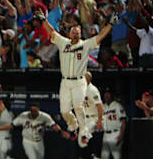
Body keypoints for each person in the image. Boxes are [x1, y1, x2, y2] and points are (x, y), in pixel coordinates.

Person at [41, 10, 116, 147]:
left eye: (77, 32)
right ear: (69, 33)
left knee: (78, 106)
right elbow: (51, 32)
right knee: (64, 111)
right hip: (65, 81)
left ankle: (84, 131)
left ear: (81, 34)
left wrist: (110, 24)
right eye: (73, 32)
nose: (75, 34)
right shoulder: (63, 43)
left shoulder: (85, 44)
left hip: (79, 81)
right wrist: (43, 20)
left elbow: (100, 36)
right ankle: (73, 124)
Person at [0, 102, 69, 159]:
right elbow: (11, 125)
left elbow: (53, 125)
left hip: (39, 141)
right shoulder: (24, 115)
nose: (33, 112)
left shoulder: (44, 116)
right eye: (32, 110)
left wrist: (61, 132)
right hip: (28, 141)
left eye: (35, 111)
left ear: (38, 110)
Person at [79, 71, 103, 159]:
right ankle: (88, 156)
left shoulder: (92, 90)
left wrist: (100, 120)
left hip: (93, 118)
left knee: (85, 135)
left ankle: (93, 155)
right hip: (85, 118)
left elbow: (100, 106)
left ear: (88, 80)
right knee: (81, 141)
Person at [101, 89, 127, 159]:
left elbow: (123, 121)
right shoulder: (103, 106)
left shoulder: (117, 105)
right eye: (105, 93)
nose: (106, 95)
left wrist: (121, 135)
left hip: (115, 133)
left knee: (117, 157)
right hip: (105, 135)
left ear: (111, 95)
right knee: (104, 156)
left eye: (108, 93)